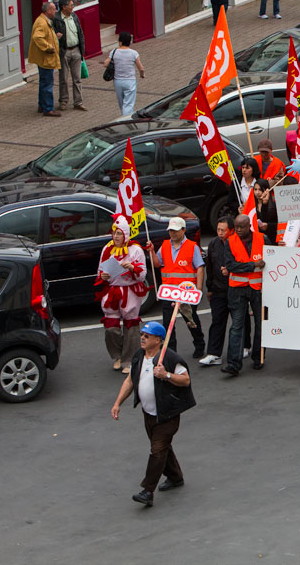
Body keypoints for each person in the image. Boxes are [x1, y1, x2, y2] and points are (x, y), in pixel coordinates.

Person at [110, 320, 195, 508]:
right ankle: (175, 477)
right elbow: (130, 381)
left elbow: (186, 380)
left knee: (157, 450)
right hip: (148, 414)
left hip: (167, 415)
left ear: (158, 340)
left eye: (147, 336)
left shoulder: (171, 359)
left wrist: (167, 375)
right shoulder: (139, 356)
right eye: (142, 335)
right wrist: (117, 403)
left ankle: (147, 490)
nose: (142, 338)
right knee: (162, 448)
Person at [146, 217, 206, 358]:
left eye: (175, 231)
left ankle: (199, 344)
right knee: (168, 325)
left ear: (183, 230)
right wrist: (152, 252)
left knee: (191, 321)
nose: (172, 233)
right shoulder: (166, 245)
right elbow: (157, 264)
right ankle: (171, 351)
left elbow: (200, 267)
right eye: (170, 231)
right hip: (169, 292)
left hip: (186, 293)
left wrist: (198, 289)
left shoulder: (192, 247)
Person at [97, 216, 149, 373]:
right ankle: (117, 355)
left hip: (130, 291)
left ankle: (129, 359)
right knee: (111, 328)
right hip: (112, 291)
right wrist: (103, 276)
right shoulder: (107, 249)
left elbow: (142, 275)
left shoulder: (136, 250)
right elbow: (100, 271)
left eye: (119, 233)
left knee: (131, 327)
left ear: (126, 234)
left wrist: (133, 268)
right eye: (114, 233)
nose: (116, 237)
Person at [220, 214, 266, 376]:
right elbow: (231, 266)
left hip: (258, 288)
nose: (238, 230)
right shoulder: (230, 241)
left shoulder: (262, 239)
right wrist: (253, 265)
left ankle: (258, 357)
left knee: (261, 325)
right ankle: (233, 363)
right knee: (237, 326)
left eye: (242, 227)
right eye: (236, 227)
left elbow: (273, 259)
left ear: (249, 226)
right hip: (237, 288)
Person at [201, 216, 237, 366]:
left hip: (236, 288)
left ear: (232, 230)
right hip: (218, 290)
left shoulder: (237, 243)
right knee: (217, 321)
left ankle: (244, 347)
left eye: (223, 230)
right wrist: (209, 288)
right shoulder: (213, 244)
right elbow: (209, 267)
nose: (220, 233)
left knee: (239, 322)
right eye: (218, 230)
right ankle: (214, 354)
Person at [53, 0, 86, 112]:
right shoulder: (56, 19)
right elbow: (52, 35)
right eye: (71, 5)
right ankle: (63, 101)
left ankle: (78, 102)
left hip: (76, 50)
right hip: (64, 51)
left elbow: (80, 32)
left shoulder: (74, 16)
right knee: (64, 79)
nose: (73, 7)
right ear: (64, 7)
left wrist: (82, 50)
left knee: (77, 78)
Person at [28, 2, 61, 117]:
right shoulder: (42, 23)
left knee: (44, 82)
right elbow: (37, 37)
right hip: (45, 59)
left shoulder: (43, 20)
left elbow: (44, 36)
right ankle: (48, 108)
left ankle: (42, 106)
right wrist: (48, 47)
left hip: (44, 58)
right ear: (48, 10)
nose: (55, 11)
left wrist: (55, 38)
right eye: (53, 9)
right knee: (47, 83)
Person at [102, 32, 145, 117]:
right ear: (129, 42)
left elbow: (105, 64)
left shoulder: (114, 52)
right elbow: (141, 68)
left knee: (122, 104)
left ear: (120, 42)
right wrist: (142, 75)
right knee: (128, 104)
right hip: (130, 82)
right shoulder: (134, 53)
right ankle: (126, 120)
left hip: (117, 81)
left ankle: (124, 117)